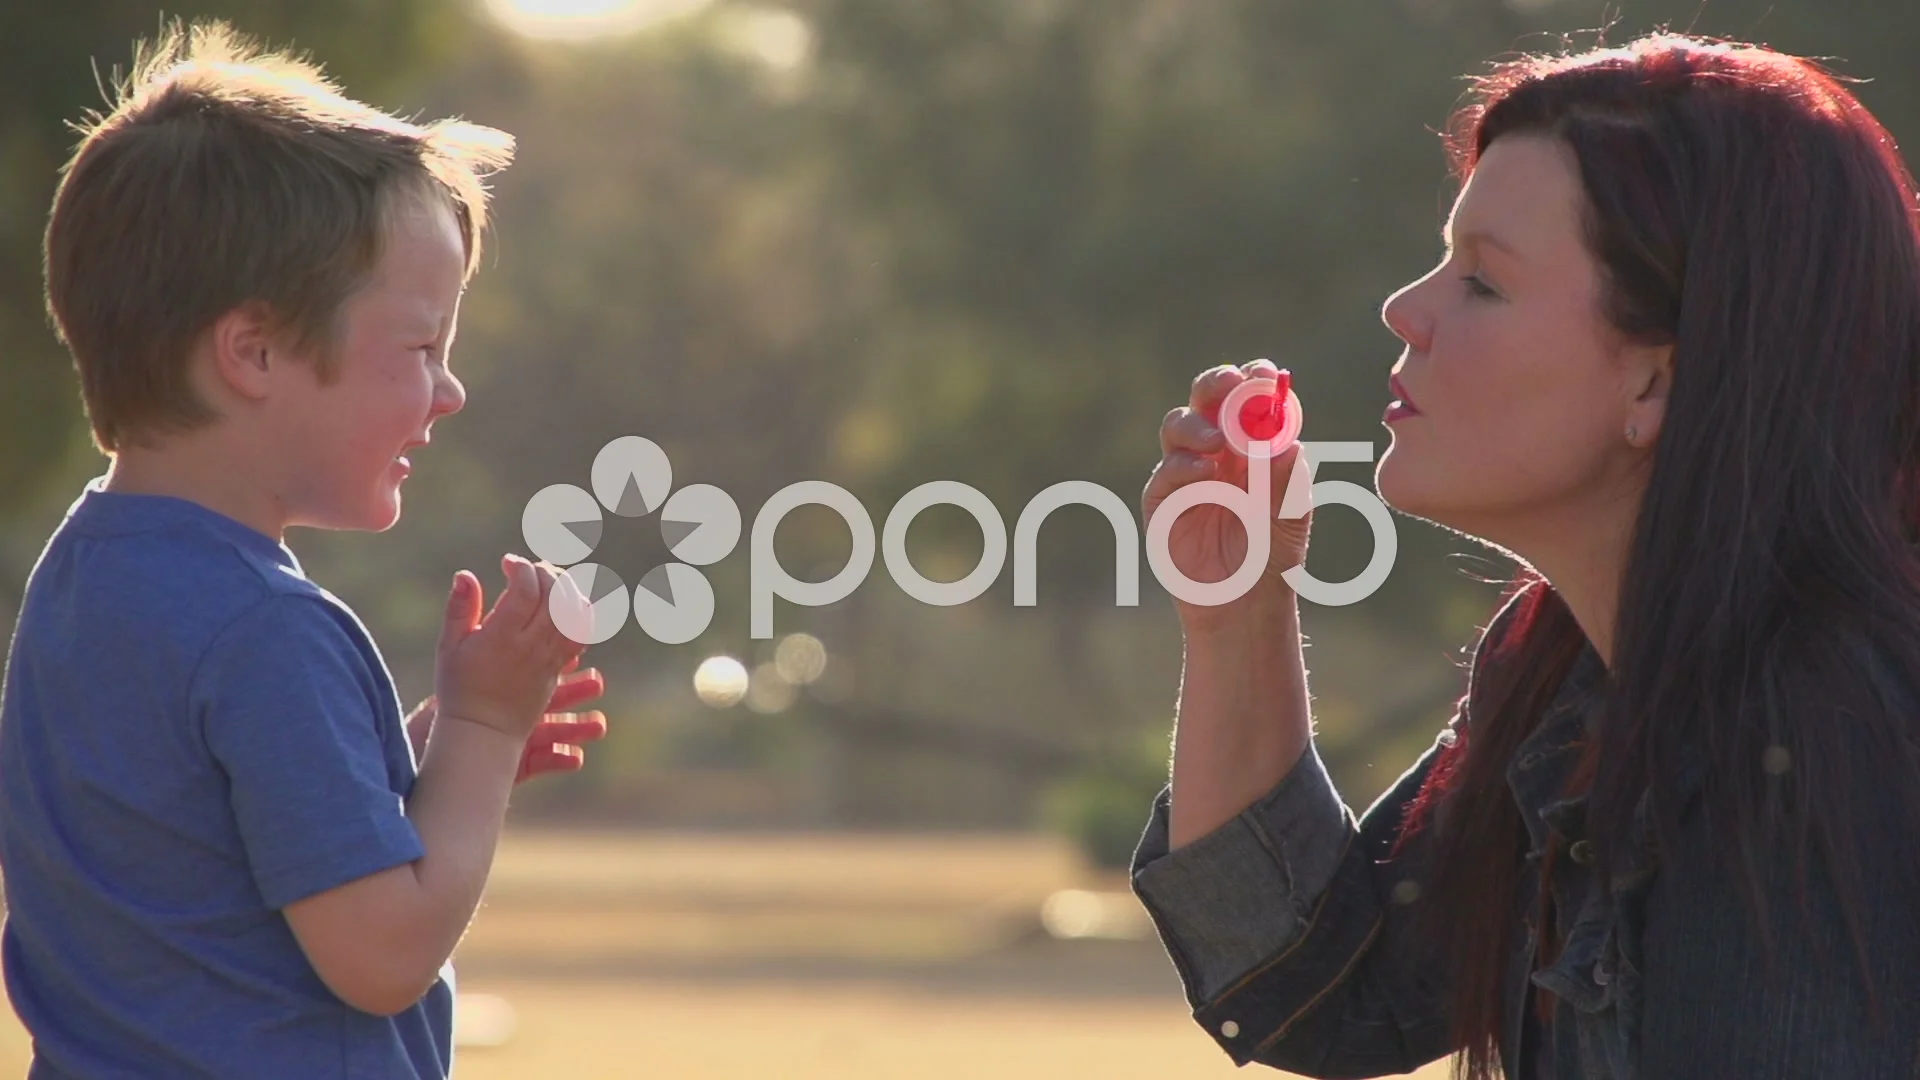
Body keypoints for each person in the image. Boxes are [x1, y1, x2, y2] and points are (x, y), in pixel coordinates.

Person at [1132, 33, 1920, 1080]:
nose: (1404, 309)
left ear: (1657, 387)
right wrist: (1238, 605)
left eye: (1484, 284)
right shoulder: (1569, 671)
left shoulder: (1807, 753)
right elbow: (1322, 990)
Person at [0, 21, 608, 1079]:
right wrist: (480, 729)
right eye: (422, 347)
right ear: (256, 351)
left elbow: (195, 858)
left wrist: (394, 767)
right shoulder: (265, 627)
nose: (449, 392)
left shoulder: (82, 581)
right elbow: (382, 955)